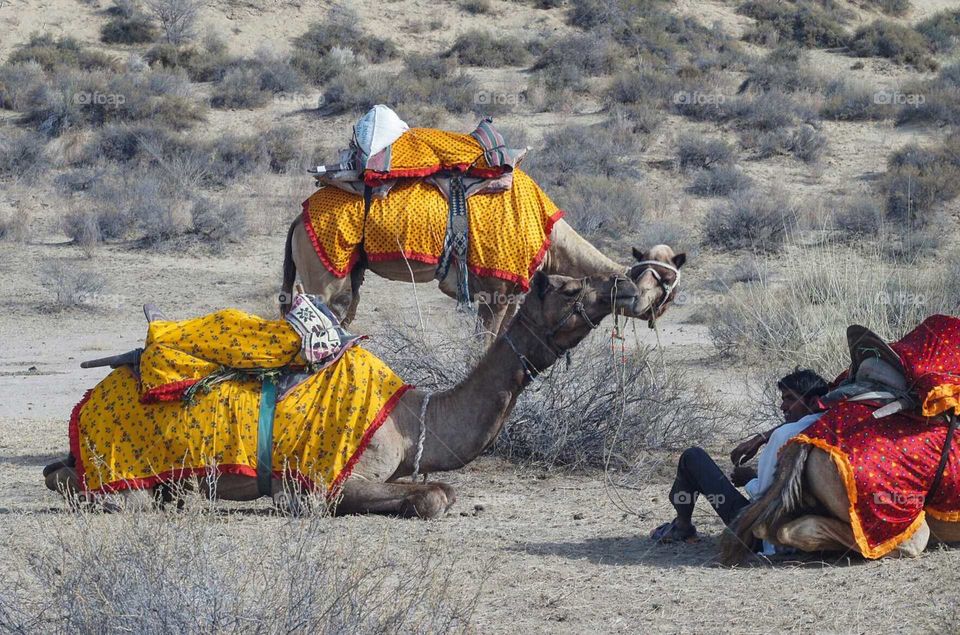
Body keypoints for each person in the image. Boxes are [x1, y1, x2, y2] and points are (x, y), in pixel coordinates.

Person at [649, 368, 829, 544]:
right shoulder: (831, 429)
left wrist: (749, 479)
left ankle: (682, 525)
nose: (783, 406)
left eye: (790, 399)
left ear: (813, 401)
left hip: (764, 534)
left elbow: (765, 496)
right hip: (814, 530)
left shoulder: (785, 435)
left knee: (693, 457)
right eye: (783, 399)